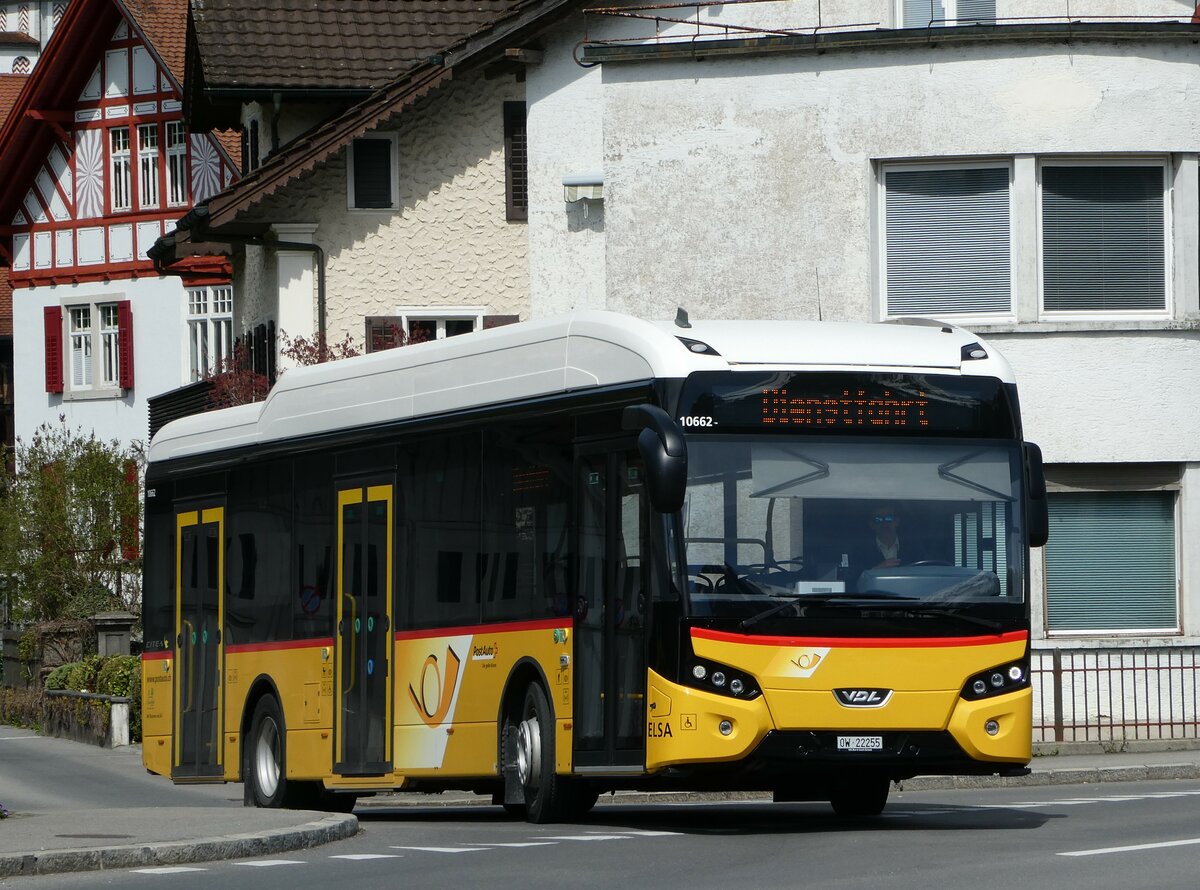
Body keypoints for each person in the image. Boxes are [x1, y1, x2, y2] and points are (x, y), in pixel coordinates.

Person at [846, 504, 922, 591]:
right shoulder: (860, 551)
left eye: (889, 518)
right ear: (872, 525)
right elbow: (851, 583)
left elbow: (926, 572)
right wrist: (874, 571)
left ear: (897, 522)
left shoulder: (913, 546)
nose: (885, 524)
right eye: (879, 520)